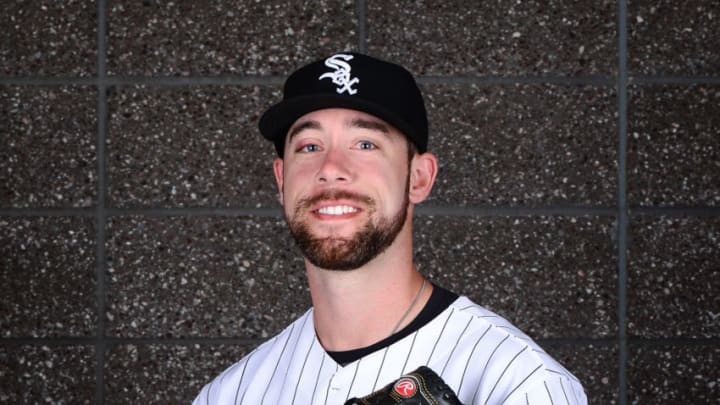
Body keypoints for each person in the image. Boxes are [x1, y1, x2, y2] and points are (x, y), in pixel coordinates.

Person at [193, 52, 587, 404]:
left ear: (419, 177)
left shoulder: (520, 383)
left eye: (365, 144)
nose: (331, 169)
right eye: (309, 146)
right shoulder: (232, 393)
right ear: (282, 180)